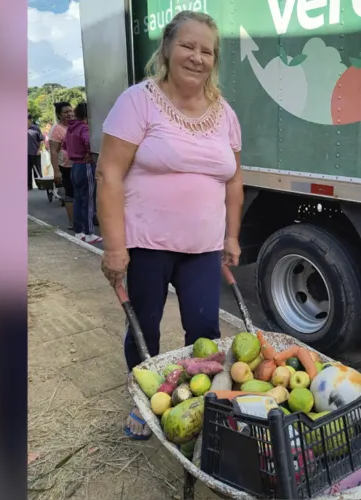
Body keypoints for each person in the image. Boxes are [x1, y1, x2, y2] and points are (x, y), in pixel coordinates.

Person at [95, 10, 243, 440]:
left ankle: (199, 406)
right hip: (146, 244)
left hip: (204, 246)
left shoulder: (225, 112)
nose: (197, 57)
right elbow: (109, 175)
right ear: (166, 48)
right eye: (188, 46)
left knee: (205, 333)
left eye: (206, 51)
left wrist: (231, 235)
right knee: (146, 328)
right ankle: (145, 403)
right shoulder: (138, 100)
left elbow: (234, 178)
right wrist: (114, 247)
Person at [64, 102, 102, 244]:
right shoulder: (85, 128)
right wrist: (89, 153)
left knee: (78, 199)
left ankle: (79, 231)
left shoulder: (70, 128)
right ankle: (89, 233)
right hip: (86, 166)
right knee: (89, 201)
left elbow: (64, 145)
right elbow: (88, 142)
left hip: (74, 166)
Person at [48, 102, 74, 230]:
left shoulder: (76, 125)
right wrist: (56, 171)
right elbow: (53, 151)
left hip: (78, 164)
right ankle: (72, 222)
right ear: (59, 115)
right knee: (70, 194)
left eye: (70, 111)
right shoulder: (57, 129)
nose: (69, 114)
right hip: (66, 166)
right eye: (65, 112)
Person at [27, 117, 44, 190]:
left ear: (30, 120)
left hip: (35, 152)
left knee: (37, 169)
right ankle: (28, 186)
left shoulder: (36, 128)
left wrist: (39, 150)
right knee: (27, 170)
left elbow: (41, 140)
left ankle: (40, 185)